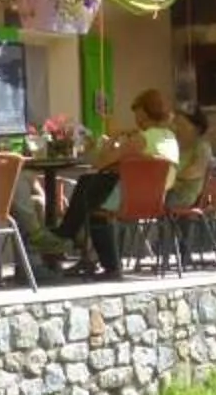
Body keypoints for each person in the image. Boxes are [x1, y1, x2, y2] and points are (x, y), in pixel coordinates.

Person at [51, 89, 179, 275]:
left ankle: (100, 259)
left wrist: (114, 137)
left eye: (137, 113)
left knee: (93, 201)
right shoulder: (169, 137)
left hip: (131, 198)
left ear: (144, 113)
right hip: (157, 199)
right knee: (91, 185)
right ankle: (71, 240)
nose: (135, 118)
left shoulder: (141, 139)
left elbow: (101, 162)